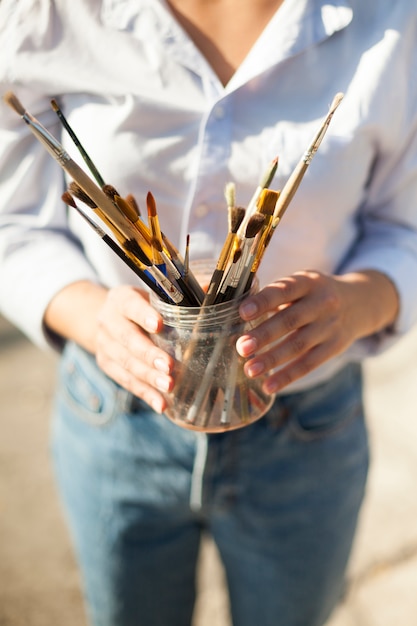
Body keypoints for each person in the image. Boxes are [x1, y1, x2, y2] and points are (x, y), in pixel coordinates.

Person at [0, 1, 416, 625]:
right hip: (116, 419)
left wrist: (359, 301)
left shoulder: (393, 17)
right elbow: (12, 226)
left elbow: (405, 226)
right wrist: (94, 318)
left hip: (308, 430)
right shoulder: (43, 12)